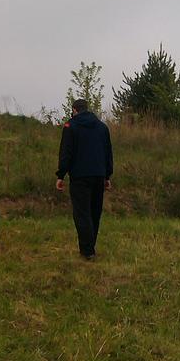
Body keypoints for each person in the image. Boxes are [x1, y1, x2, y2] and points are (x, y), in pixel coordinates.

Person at [56, 99, 113, 260]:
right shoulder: (102, 127)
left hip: (79, 177)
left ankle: (87, 251)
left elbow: (66, 153)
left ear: (74, 110)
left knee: (82, 213)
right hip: (98, 175)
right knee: (95, 212)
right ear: (87, 109)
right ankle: (90, 247)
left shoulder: (70, 126)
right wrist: (107, 175)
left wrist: (61, 175)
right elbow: (108, 153)